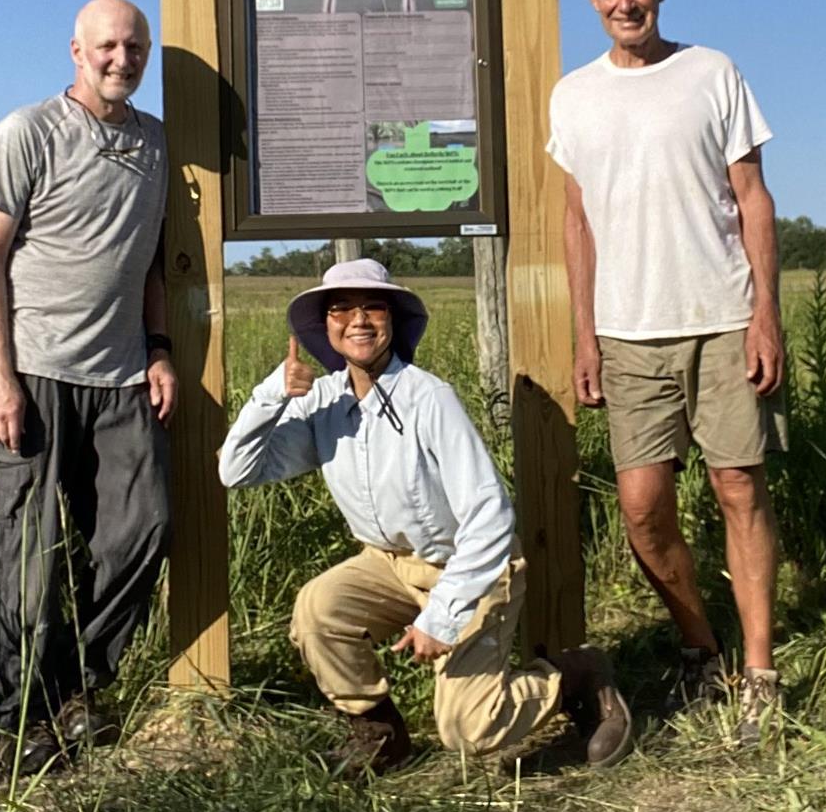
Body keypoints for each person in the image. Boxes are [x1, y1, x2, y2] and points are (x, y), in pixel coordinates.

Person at [218, 258, 632, 775]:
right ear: (324, 326)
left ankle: (575, 677)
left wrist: (443, 615)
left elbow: (489, 515)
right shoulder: (322, 401)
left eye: (373, 306)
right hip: (387, 564)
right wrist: (271, 393)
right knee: (318, 609)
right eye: (341, 308)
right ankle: (379, 732)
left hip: (471, 566)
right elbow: (237, 469)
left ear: (393, 320)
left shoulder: (429, 398)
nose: (358, 320)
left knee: (468, 731)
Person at [548, 0, 784, 747]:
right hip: (626, 328)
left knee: (737, 490)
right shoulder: (571, 96)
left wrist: (763, 313)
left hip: (719, 316)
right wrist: (585, 334)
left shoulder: (711, 73)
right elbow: (576, 220)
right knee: (644, 511)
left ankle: (757, 671)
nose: (625, 1)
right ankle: (700, 647)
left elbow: (751, 198)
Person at [0, 0, 176, 776]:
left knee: (144, 526)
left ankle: (81, 686)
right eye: (107, 46)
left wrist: (158, 348)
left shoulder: (155, 144)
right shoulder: (26, 133)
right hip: (34, 370)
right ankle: (17, 714)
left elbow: (152, 263)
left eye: (135, 47)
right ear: (76, 51)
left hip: (122, 372)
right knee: (25, 551)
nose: (121, 59)